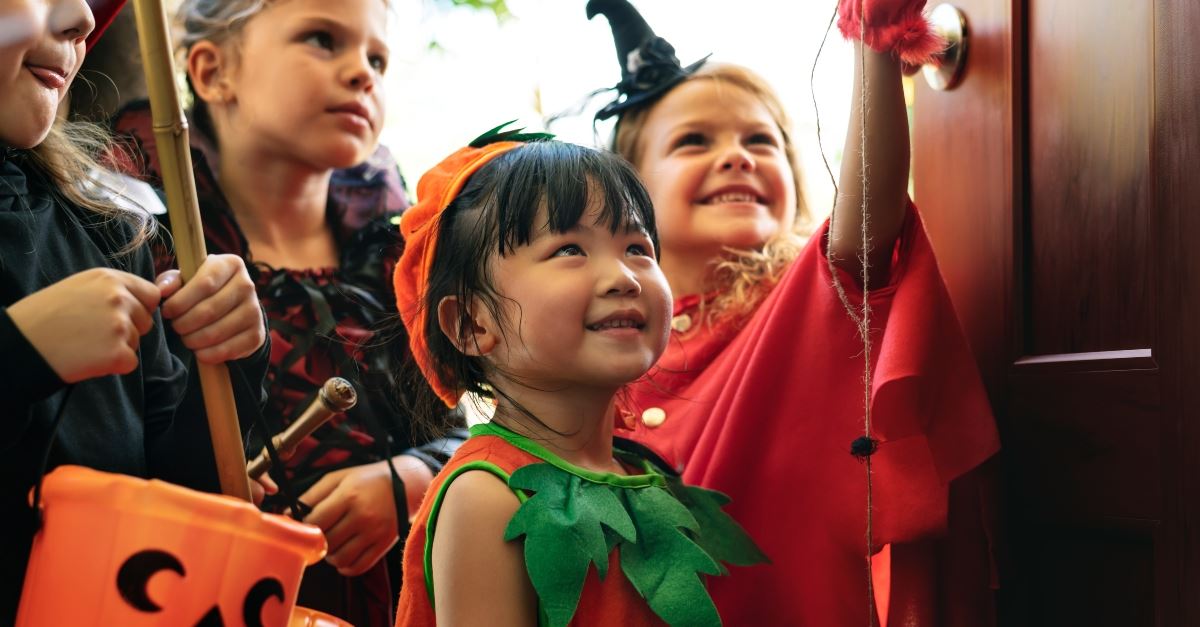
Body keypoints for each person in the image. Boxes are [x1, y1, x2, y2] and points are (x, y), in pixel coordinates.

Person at [581, 0, 1001, 625]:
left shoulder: (804, 303)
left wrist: (876, 42)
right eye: (694, 140)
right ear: (628, 191)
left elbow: (864, 231)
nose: (738, 156)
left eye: (761, 140)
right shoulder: (599, 337)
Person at [110, 1, 465, 624]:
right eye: (323, 39)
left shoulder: (399, 261)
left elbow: (462, 430)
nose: (363, 73)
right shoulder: (142, 243)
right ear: (212, 70)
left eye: (377, 58)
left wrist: (411, 478)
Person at [390, 128, 765, 626]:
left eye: (638, 247)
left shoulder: (646, 477)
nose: (625, 277)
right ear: (471, 323)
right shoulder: (486, 495)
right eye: (570, 250)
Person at [0, 0, 267, 621]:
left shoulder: (110, 235)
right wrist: (19, 354)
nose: (82, 20)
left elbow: (176, 503)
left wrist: (226, 356)